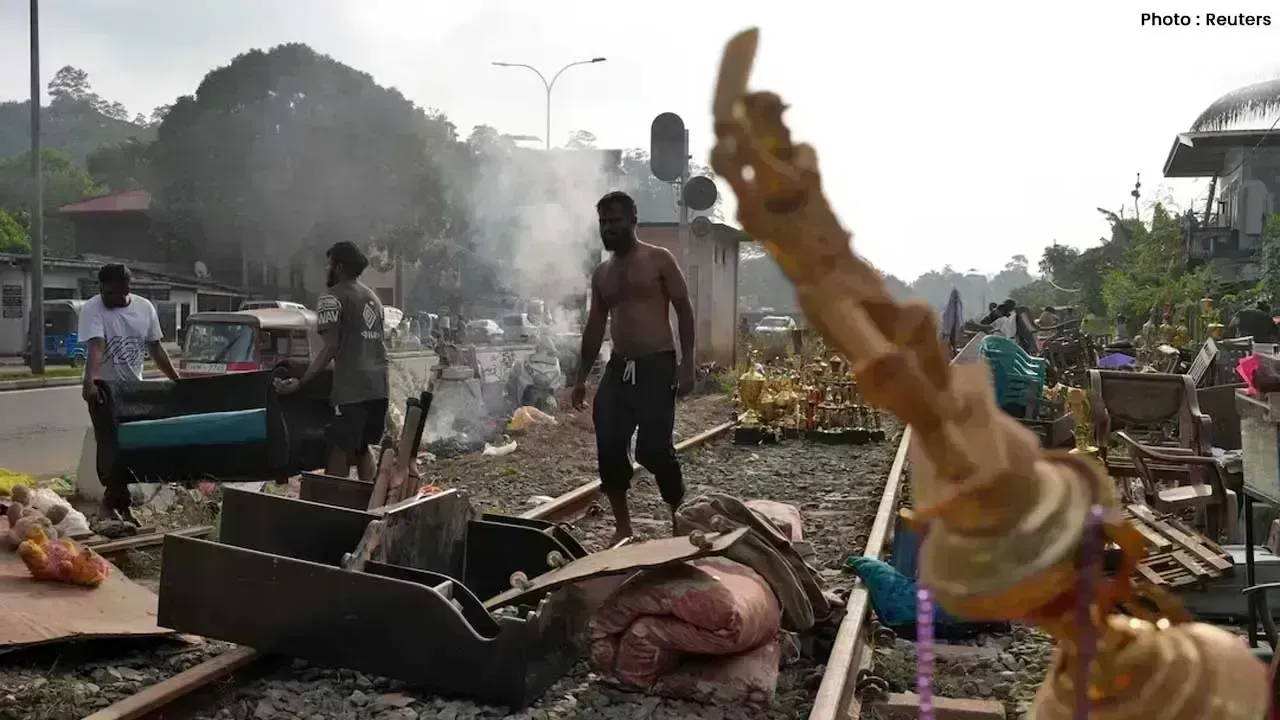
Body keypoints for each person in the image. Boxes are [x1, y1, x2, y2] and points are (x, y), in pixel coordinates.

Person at [571, 190, 695, 546]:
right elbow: (595, 327)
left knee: (653, 450)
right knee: (609, 444)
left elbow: (684, 308)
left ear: (632, 221)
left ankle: (678, 516)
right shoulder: (602, 274)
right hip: (620, 366)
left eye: (615, 221)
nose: (608, 228)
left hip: (657, 364)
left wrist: (688, 364)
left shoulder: (659, 260)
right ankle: (623, 527)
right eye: (603, 222)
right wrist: (580, 378)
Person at [275, 241, 389, 481]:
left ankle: (332, 499)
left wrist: (301, 382)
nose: (325, 269)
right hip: (380, 388)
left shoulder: (332, 298)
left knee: (338, 448)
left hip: (352, 391)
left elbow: (330, 348)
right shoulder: (373, 298)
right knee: (362, 447)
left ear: (338, 267)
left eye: (328, 264)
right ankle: (370, 499)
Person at [79, 263, 181, 523]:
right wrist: (90, 382)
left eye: (113, 293)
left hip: (134, 390)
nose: (107, 297)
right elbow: (96, 346)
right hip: (104, 390)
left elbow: (155, 347)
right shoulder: (92, 308)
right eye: (104, 292)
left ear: (127, 288)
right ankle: (110, 506)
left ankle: (120, 506)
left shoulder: (144, 308)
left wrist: (177, 380)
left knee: (131, 449)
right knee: (110, 448)